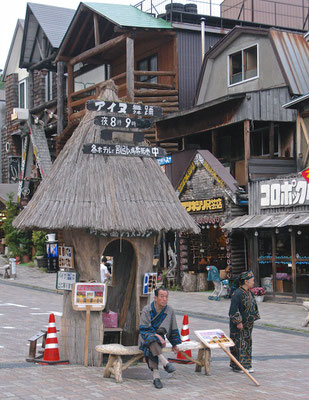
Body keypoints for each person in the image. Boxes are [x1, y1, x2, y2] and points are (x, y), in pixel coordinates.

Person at [139, 287, 181, 389]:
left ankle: (156, 377)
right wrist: (157, 336)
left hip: (158, 340)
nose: (164, 299)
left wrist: (174, 344)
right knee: (151, 339)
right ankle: (165, 363)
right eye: (161, 296)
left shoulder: (169, 310)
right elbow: (144, 329)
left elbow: (173, 327)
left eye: (166, 297)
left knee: (154, 343)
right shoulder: (147, 309)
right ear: (155, 298)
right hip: (145, 337)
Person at [229, 270, 260, 373]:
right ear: (246, 281)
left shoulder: (249, 292)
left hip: (248, 325)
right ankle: (237, 366)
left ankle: (247, 364)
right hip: (239, 325)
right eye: (252, 280)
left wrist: (254, 317)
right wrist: (238, 322)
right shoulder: (237, 293)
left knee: (247, 344)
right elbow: (233, 310)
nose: (253, 282)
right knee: (238, 345)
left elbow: (253, 305)